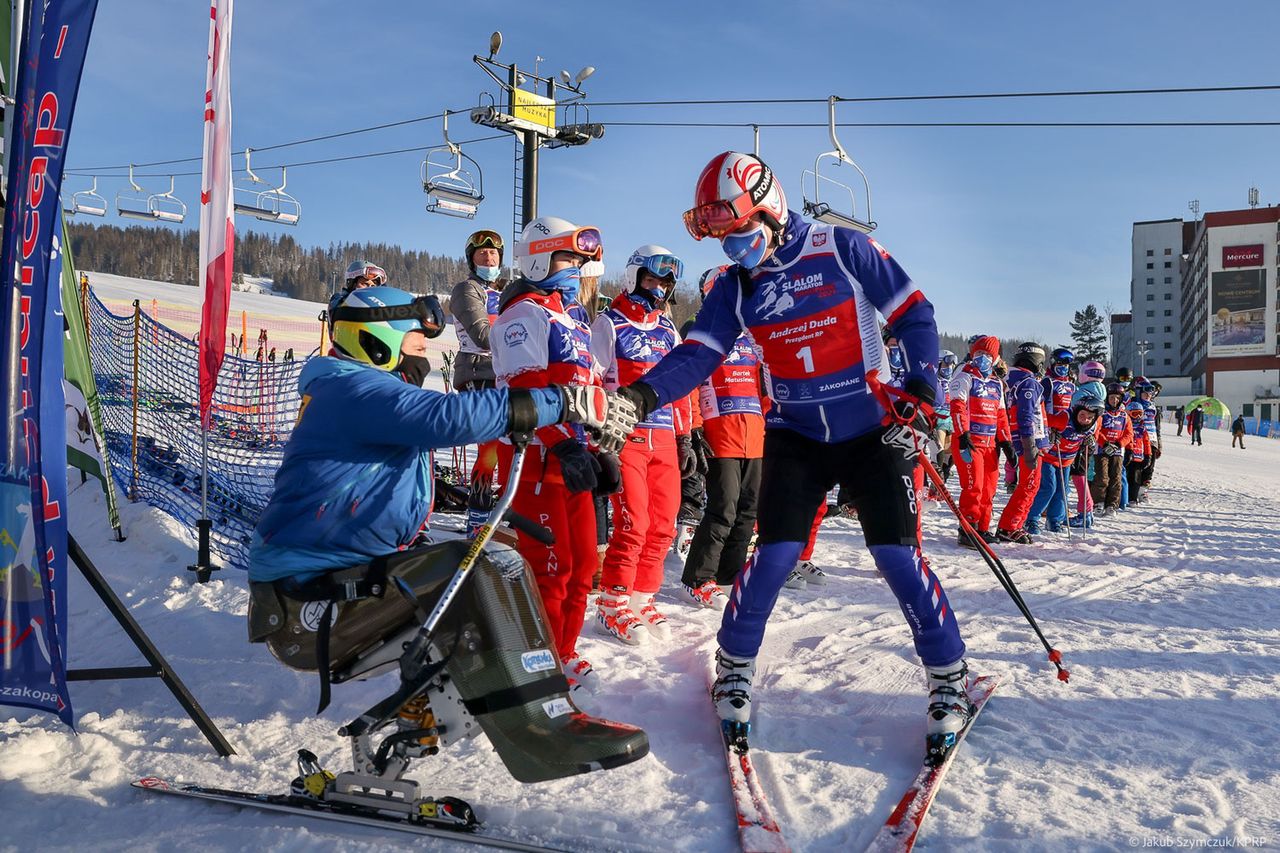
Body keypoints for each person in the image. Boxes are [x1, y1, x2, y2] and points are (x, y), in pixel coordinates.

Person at [617, 151, 973, 763]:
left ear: (771, 207)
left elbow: (915, 315)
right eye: (723, 240)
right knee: (775, 554)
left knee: (897, 557)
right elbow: (698, 354)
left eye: (741, 234)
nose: (733, 250)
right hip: (795, 434)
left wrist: (923, 388)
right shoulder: (734, 287)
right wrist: (641, 394)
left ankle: (948, 673)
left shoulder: (843, 248)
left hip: (872, 431)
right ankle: (733, 664)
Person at [245, 284, 646, 785]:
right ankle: (536, 731)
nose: (423, 363)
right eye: (416, 347)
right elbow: (448, 418)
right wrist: (560, 401)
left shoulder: (352, 389)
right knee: (474, 567)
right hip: (304, 607)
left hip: (340, 581)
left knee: (497, 564)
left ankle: (468, 712)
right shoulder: (352, 390)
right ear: (375, 340)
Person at [490, 216, 620, 692]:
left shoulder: (573, 319)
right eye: (569, 258)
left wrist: (596, 445)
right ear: (540, 258)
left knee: (585, 564)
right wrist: (563, 444)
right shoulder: (524, 313)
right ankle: (539, 663)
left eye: (581, 261)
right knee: (553, 570)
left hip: (572, 457)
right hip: (537, 459)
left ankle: (561, 651)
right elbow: (527, 387)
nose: (576, 269)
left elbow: (583, 391)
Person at [591, 245, 692, 646]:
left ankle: (641, 596)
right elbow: (592, 380)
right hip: (627, 435)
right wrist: (598, 438)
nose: (657, 290)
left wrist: (686, 437)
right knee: (635, 523)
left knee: (665, 525)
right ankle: (611, 603)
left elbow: (681, 384)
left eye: (664, 284)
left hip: (665, 436)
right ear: (634, 278)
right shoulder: (609, 323)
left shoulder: (668, 329)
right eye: (650, 281)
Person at [680, 268, 768, 607]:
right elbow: (688, 382)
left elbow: (764, 385)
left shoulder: (753, 336)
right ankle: (697, 578)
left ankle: (731, 576)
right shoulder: (702, 332)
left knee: (748, 510)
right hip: (720, 432)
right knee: (723, 509)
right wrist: (696, 427)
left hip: (754, 433)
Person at [948, 335, 1010, 548]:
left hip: (989, 444)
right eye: (979, 354)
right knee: (974, 485)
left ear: (995, 358)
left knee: (989, 487)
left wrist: (1007, 442)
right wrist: (962, 434)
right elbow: (957, 406)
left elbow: (1001, 415)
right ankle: (968, 529)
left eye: (987, 355)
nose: (982, 358)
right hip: (969, 441)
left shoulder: (996, 383)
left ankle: (982, 527)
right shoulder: (964, 376)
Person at [996, 343, 1049, 544]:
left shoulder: (1012, 380)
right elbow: (1026, 415)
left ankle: (1016, 524)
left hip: (1025, 439)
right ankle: (1009, 526)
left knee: (1030, 485)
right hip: (1029, 440)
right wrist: (1030, 445)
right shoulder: (1028, 383)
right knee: (1029, 485)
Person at [1025, 393, 1102, 532]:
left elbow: (1095, 435)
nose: (1085, 420)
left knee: (1062, 491)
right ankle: (1031, 519)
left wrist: (1090, 441)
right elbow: (1041, 421)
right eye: (1082, 415)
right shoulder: (1064, 418)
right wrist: (1050, 432)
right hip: (1048, 457)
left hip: (1066, 461)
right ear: (1077, 411)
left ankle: (1054, 521)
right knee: (1049, 488)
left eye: (1090, 418)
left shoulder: (1095, 424)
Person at [1091, 382, 1132, 516]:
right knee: (1102, 477)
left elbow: (1129, 433)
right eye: (1111, 397)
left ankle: (1112, 505)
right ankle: (1099, 503)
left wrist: (1120, 444)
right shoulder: (1102, 413)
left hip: (1118, 451)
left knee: (1116, 478)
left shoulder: (1124, 415)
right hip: (1102, 450)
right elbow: (1097, 430)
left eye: (1117, 398)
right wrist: (1105, 443)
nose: (1114, 400)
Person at [1125, 400, 1150, 502]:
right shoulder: (1126, 425)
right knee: (1125, 478)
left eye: (1140, 414)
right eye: (1135, 414)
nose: (1138, 417)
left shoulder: (1142, 427)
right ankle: (1124, 498)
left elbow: (1147, 442)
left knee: (1136, 479)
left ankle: (1133, 498)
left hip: (1138, 458)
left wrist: (1148, 455)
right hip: (1126, 456)